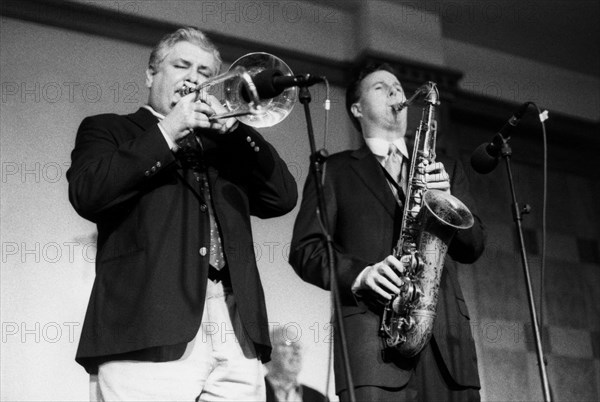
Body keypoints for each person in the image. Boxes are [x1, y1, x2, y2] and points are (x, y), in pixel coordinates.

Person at [67, 27, 298, 401]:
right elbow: (87, 193)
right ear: (151, 74)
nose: (194, 78)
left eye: (206, 73)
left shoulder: (226, 144)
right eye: (182, 66)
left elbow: (283, 197)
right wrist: (169, 129)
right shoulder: (110, 129)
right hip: (147, 323)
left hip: (235, 324)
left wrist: (236, 131)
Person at [289, 63, 486, 401]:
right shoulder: (332, 171)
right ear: (357, 108)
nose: (395, 91)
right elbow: (306, 250)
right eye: (380, 87)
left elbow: (473, 246)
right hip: (372, 349)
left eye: (396, 85)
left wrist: (448, 197)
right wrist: (361, 274)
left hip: (448, 351)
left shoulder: (447, 168)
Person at [265, 327, 329, 402]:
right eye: (288, 344)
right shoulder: (252, 391)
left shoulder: (319, 398)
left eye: (299, 347)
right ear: (269, 352)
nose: (297, 352)